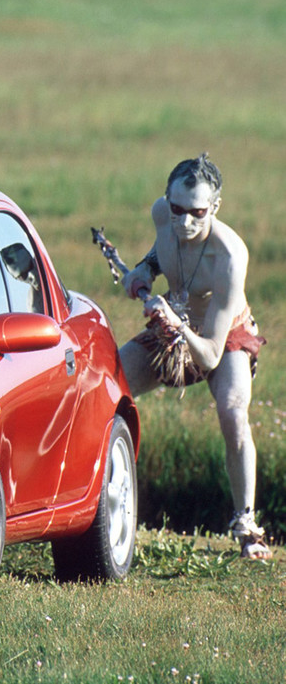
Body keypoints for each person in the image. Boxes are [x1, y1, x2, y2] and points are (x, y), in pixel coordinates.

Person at [119, 153, 269, 559]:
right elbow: (159, 250)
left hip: (221, 335)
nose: (184, 222)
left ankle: (246, 524)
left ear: (215, 207)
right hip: (175, 319)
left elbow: (209, 355)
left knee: (233, 412)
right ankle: (99, 507)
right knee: (110, 385)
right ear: (166, 200)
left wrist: (178, 325)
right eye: (177, 209)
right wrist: (144, 271)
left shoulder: (230, 257)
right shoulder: (162, 214)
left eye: (197, 213)